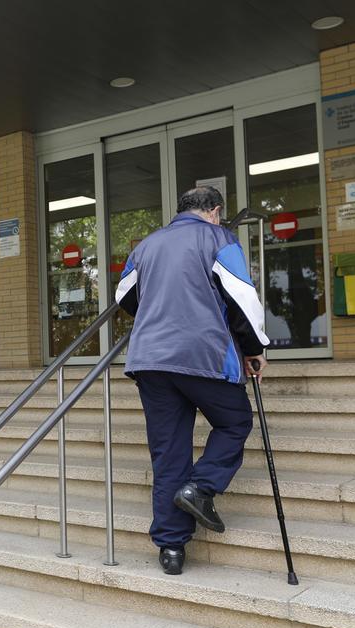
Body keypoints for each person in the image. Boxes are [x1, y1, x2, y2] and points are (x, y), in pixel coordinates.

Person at [114, 186, 269, 575]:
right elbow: (242, 300)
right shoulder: (220, 238)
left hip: (150, 359)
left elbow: (124, 296)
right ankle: (200, 489)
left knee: (169, 453)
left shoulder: (147, 245)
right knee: (235, 421)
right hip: (202, 354)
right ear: (215, 211)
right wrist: (254, 347)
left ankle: (171, 549)